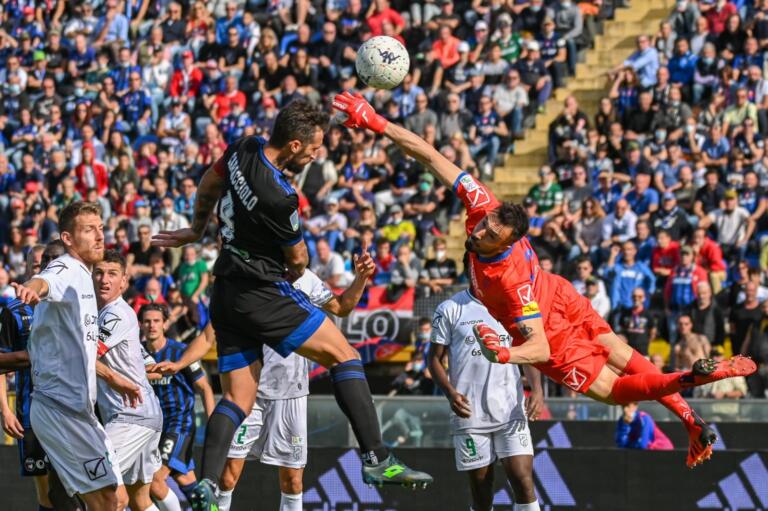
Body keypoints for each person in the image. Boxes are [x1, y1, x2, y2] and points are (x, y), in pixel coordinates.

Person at [332, 91, 756, 469]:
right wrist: (376, 122)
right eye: (482, 227)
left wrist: (505, 356)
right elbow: (430, 155)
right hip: (560, 292)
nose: (477, 233)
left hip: (547, 321)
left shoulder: (509, 280)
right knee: (621, 353)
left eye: (489, 235)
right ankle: (691, 418)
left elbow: (539, 346)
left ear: (510, 240)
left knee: (617, 392)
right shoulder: (485, 207)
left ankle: (696, 380)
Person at [151, 100, 432, 510]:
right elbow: (298, 261)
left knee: (237, 399)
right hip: (261, 293)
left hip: (225, 292)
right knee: (345, 355)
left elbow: (210, 183)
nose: (317, 154)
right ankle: (376, 458)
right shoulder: (282, 196)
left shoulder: (243, 147)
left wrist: (196, 229)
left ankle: (207, 484)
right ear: (295, 145)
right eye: (314, 148)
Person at [217, 259, 375, 511]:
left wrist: (361, 278)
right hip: (251, 391)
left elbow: (342, 307)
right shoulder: (251, 278)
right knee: (227, 475)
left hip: (291, 393)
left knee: (292, 482)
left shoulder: (308, 280)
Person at [10, 202, 139, 510]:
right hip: (60, 409)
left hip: (80, 412)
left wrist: (113, 378)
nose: (99, 236)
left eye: (101, 228)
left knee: (118, 499)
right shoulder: (66, 267)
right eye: (88, 230)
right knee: (106, 501)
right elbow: (45, 280)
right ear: (68, 238)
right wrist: (32, 287)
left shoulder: (84, 276)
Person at [429, 289, 543, 511]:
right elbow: (434, 359)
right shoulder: (450, 309)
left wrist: (537, 390)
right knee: (482, 491)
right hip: (469, 412)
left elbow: (530, 351)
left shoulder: (515, 307)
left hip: (510, 410)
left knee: (522, 479)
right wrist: (450, 393)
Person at [0, 241, 83, 511]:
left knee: (79, 486)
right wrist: (6, 411)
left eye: (49, 262)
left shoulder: (75, 301)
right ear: (28, 268)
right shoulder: (14, 310)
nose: (44, 267)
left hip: (72, 409)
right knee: (46, 491)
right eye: (38, 263)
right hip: (30, 410)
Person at [93, 250, 164, 511]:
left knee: (97, 484)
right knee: (140, 500)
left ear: (124, 281)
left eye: (112, 274)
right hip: (145, 414)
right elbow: (148, 365)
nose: (104, 279)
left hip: (131, 417)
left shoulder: (114, 313)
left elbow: (86, 357)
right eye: (99, 272)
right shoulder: (110, 314)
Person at [141, 303, 215, 511]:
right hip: (154, 430)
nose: (152, 325)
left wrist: (213, 423)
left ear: (165, 324)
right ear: (141, 325)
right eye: (147, 321)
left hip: (180, 424)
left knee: (155, 481)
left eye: (156, 321)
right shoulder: (137, 355)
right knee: (188, 482)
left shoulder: (181, 352)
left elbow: (205, 388)